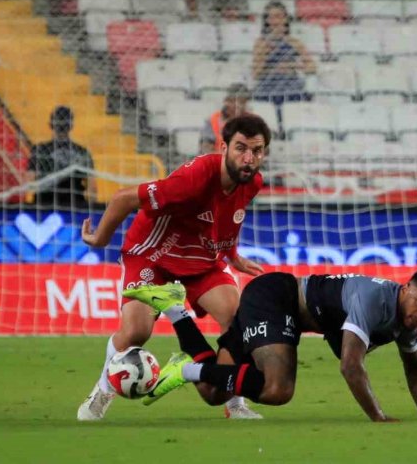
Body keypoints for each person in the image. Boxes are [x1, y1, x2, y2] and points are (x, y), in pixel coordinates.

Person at [76, 114, 271, 422]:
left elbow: (229, 217)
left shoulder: (253, 182)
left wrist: (232, 254)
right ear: (223, 147)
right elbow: (125, 198)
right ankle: (102, 390)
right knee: (136, 331)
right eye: (240, 148)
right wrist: (99, 239)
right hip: (152, 255)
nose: (248, 158)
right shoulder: (194, 179)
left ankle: (236, 404)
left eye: (257, 151)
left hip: (200, 259)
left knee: (238, 319)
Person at [124, 269, 417, 422]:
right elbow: (350, 366)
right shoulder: (374, 300)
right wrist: (378, 417)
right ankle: (185, 369)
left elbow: (415, 364)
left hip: (282, 312)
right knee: (278, 389)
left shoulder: (406, 321)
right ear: (405, 287)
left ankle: (174, 309)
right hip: (276, 299)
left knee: (213, 392)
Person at [26, 106, 96, 211]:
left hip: (44, 205)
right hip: (75, 205)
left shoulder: (39, 149)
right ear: (71, 126)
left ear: (51, 125)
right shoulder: (82, 152)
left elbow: (30, 183)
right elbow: (92, 189)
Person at [251, 1, 316, 103]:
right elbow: (256, 74)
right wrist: (266, 52)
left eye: (278, 16)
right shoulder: (261, 43)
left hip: (291, 85)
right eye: (271, 17)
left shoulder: (294, 42)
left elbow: (312, 67)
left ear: (285, 19)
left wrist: (291, 65)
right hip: (268, 86)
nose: (275, 21)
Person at [199, 83, 251, 154]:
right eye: (233, 101)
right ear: (227, 101)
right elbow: (206, 148)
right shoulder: (213, 120)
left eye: (242, 102)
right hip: (218, 161)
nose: (238, 106)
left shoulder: (253, 121)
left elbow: (264, 149)